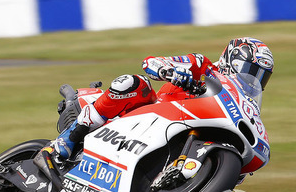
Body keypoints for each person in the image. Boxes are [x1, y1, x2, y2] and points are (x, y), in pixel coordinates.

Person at [34, 37, 274, 175]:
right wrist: (170, 71)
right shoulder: (202, 65)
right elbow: (151, 62)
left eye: (261, 76)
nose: (253, 80)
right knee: (133, 83)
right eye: (251, 71)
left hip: (180, 132)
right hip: (151, 113)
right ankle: (65, 142)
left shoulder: (239, 102)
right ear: (231, 59)